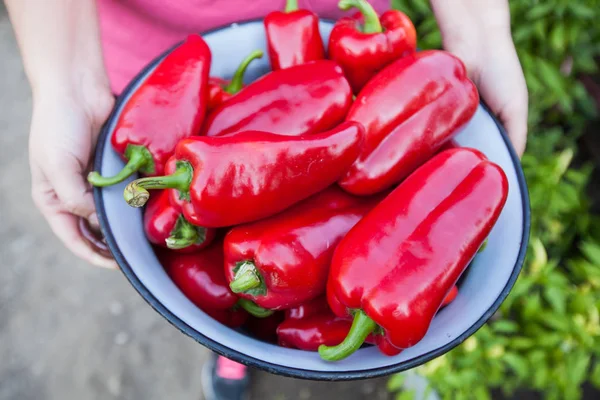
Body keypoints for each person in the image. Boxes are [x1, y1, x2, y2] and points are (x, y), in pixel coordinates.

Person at [6, 1, 528, 399]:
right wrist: (65, 83)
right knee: (218, 289)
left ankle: (241, 339)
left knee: (238, 271)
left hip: (334, 39)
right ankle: (232, 345)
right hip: (143, 62)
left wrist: (482, 37)